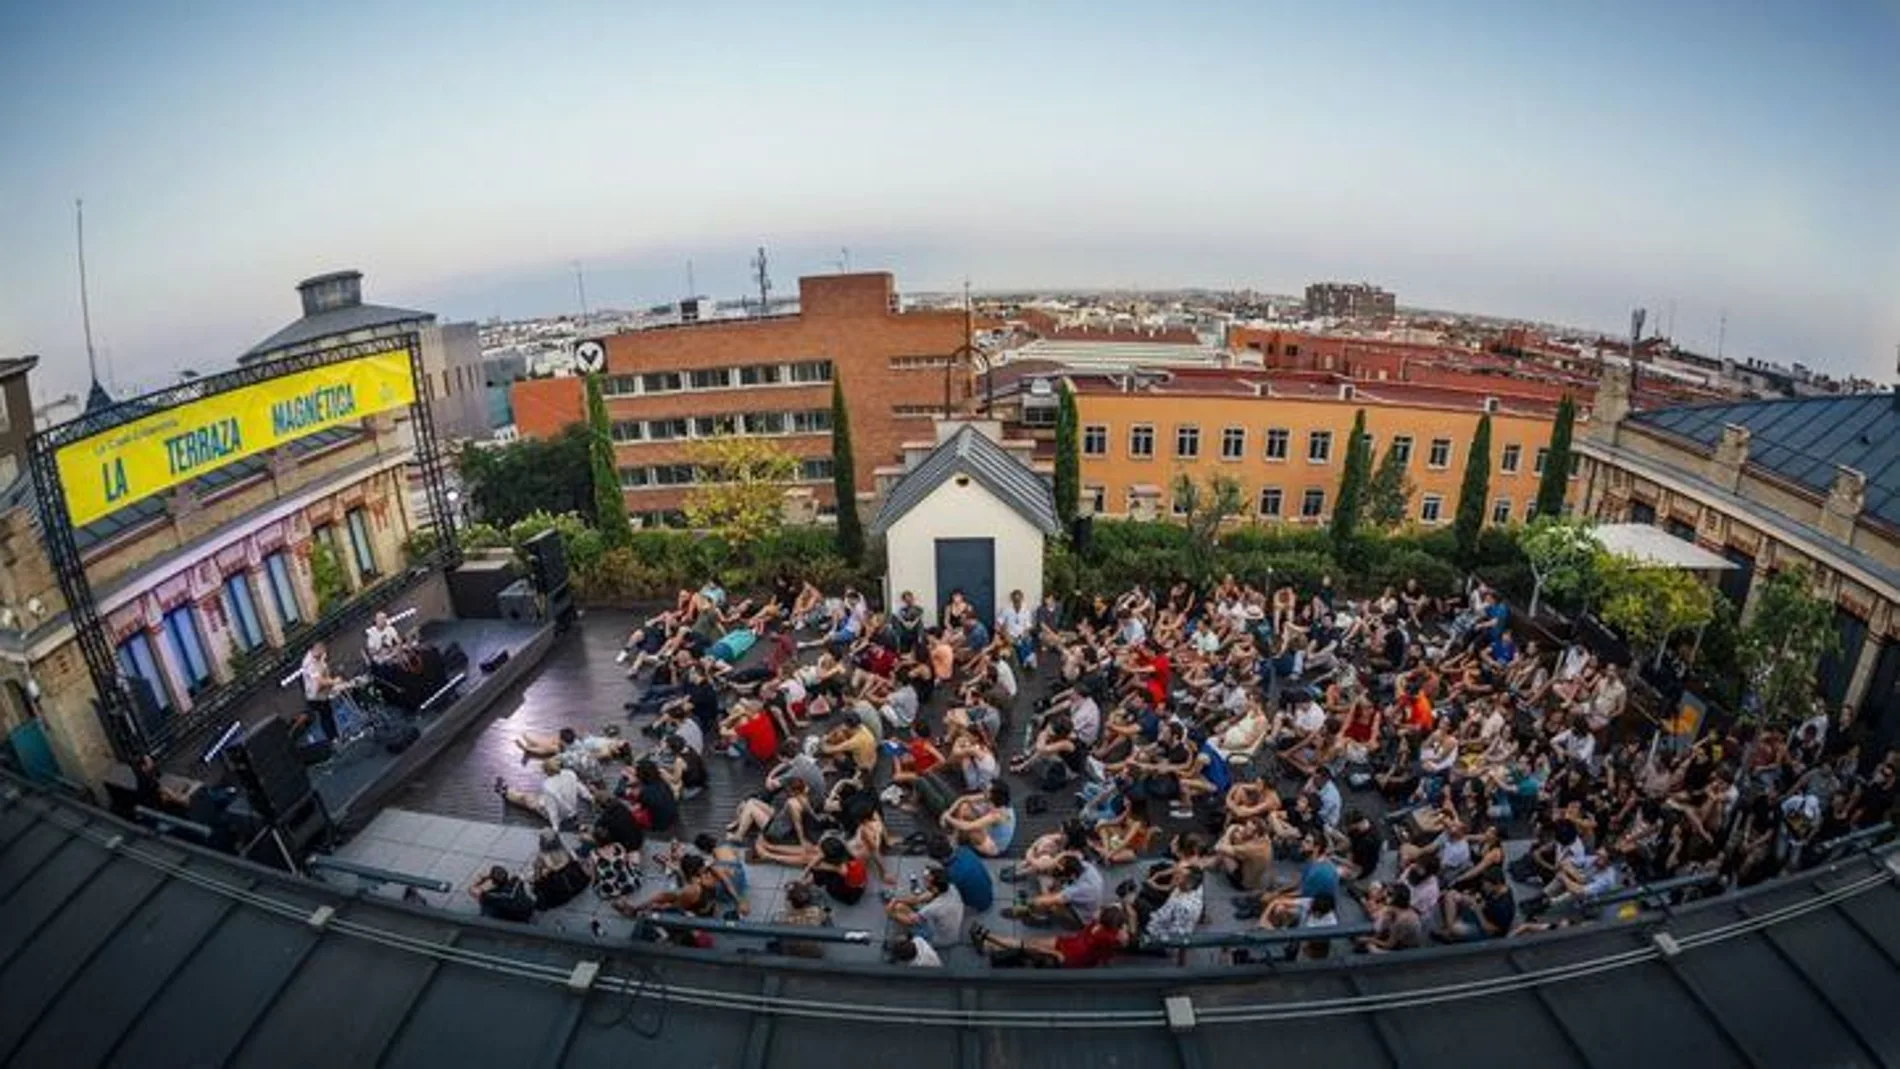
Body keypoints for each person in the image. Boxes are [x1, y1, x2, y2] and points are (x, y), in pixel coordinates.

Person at [970, 904, 1129, 968]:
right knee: (1026, 944)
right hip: (1070, 949)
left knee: (1025, 945)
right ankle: (987, 942)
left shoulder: (1101, 927)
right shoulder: (1110, 934)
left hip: (1069, 953)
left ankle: (988, 938)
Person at [885, 865, 965, 949]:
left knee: (901, 913)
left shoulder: (931, 908)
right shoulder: (951, 888)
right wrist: (897, 899)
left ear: (935, 888)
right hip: (951, 930)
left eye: (927, 880)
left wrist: (891, 913)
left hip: (939, 939)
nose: (924, 880)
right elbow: (918, 899)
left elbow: (911, 921)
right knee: (900, 907)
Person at [496, 758, 588, 829]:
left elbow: (552, 810)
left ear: (547, 772)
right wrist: (589, 796)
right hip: (571, 811)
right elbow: (580, 787)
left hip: (561, 815)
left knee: (526, 798)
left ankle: (505, 792)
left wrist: (555, 828)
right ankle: (507, 791)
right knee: (529, 797)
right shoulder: (570, 774)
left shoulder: (548, 785)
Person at [299, 641, 343, 742]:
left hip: (321, 693)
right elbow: (320, 681)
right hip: (315, 696)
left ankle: (336, 736)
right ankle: (333, 739)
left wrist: (323, 663)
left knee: (328, 714)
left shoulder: (318, 659)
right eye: (323, 651)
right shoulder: (309, 663)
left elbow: (326, 673)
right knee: (325, 716)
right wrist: (333, 681)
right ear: (317, 649)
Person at [471, 864, 536, 922]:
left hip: (514, 918)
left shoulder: (489, 896)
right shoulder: (516, 883)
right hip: (526, 913)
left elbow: (472, 890)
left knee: (485, 907)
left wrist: (480, 880)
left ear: (493, 882)